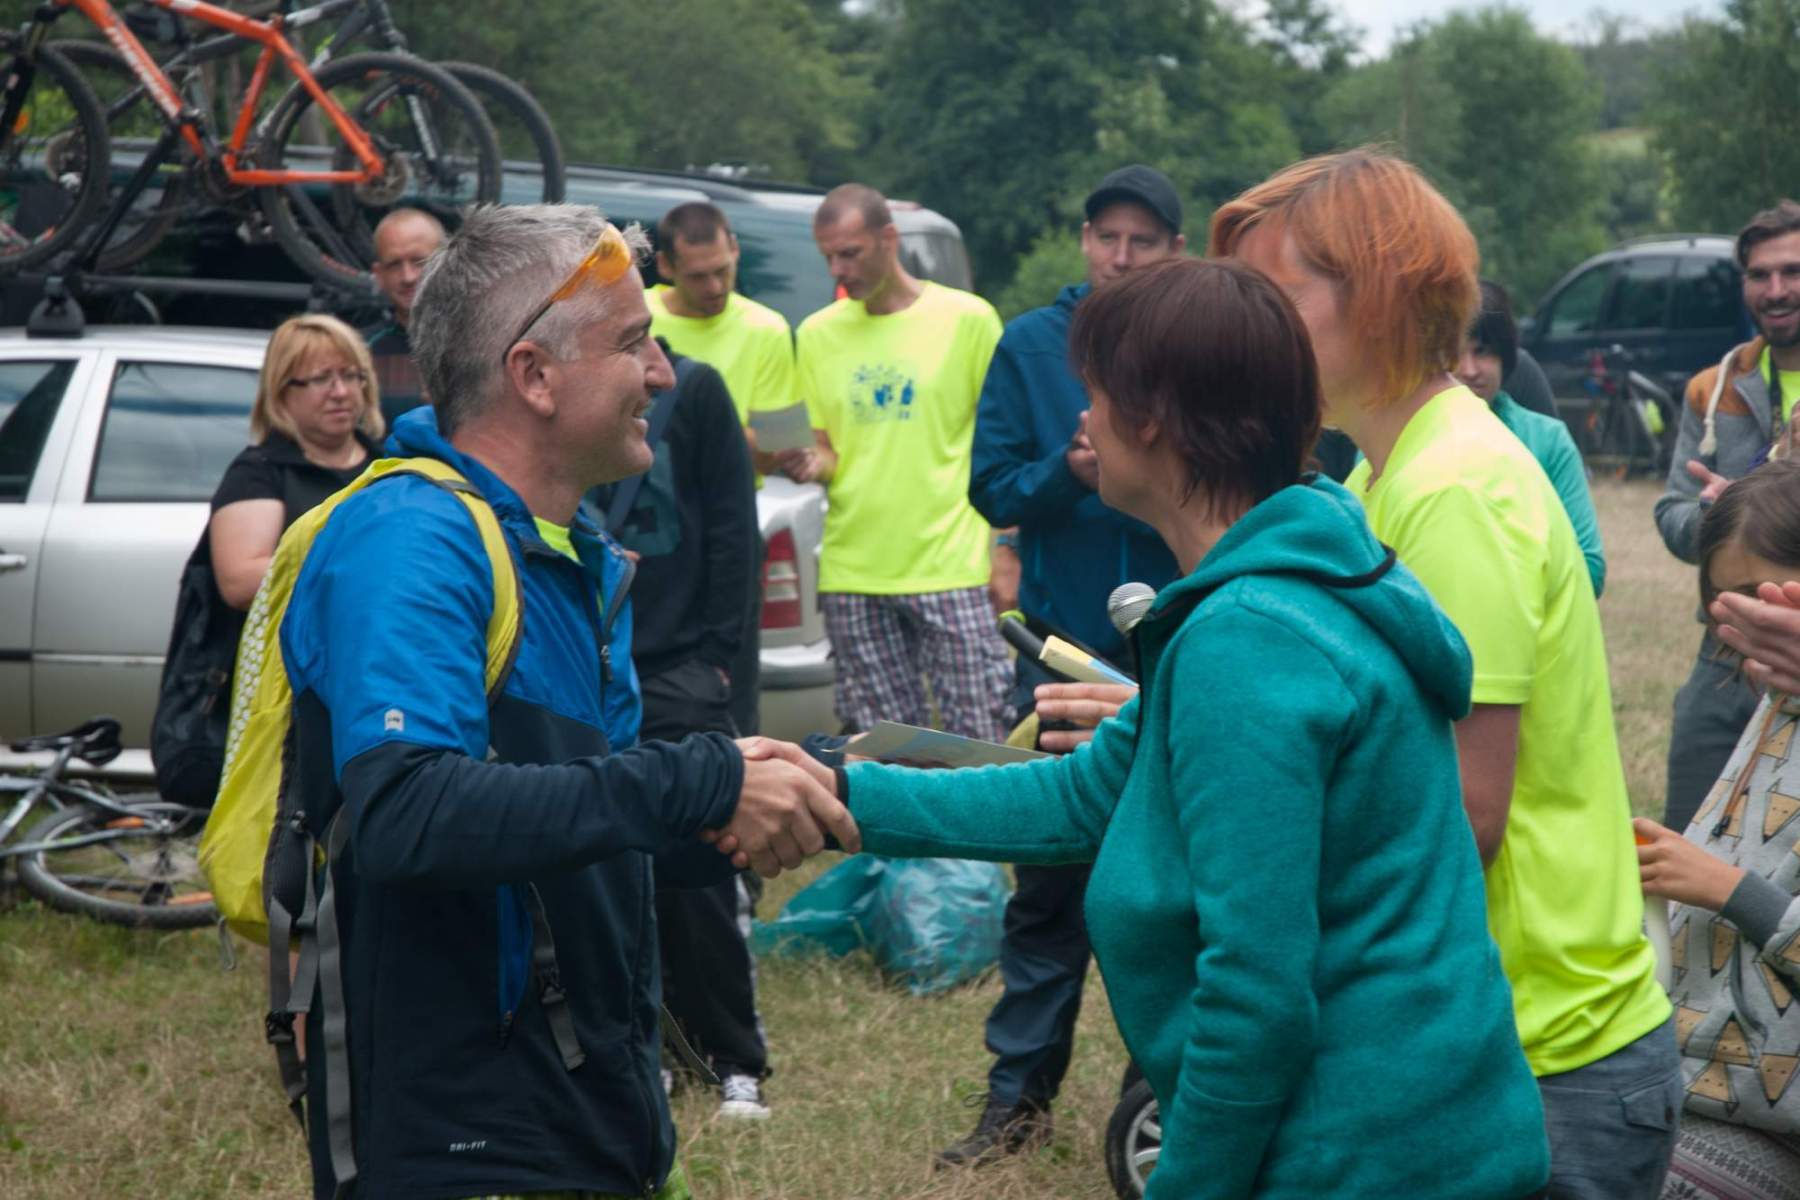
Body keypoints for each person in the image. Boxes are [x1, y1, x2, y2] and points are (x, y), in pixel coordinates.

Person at [749, 257, 1551, 1198]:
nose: (1081, 422)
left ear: (1154, 419)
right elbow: (1085, 794)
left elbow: (1255, 998)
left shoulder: (1248, 638)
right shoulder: (1288, 576)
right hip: (1427, 1139)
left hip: (1362, 1162)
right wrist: (841, 792)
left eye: (1092, 395)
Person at [276, 202, 857, 1199]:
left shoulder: (571, 551)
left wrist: (755, 801)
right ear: (534, 375)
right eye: (633, 343)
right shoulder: (409, 539)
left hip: (591, 1105)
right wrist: (691, 782)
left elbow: (582, 812)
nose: (662, 374)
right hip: (466, 1133)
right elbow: (406, 813)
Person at [1216, 148, 1679, 1197]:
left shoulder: (1454, 488)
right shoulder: (1388, 475)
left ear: (1377, 297)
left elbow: (1464, 811)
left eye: (1276, 296)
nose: (1254, 332)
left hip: (1542, 1047)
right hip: (1495, 1029)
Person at [941, 164, 1184, 1166]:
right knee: (1048, 886)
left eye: (1143, 241)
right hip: (1055, 654)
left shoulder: (1197, 341)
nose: (1121, 257)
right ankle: (1015, 1106)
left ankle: (1162, 1100)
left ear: (1175, 250)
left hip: (1174, 653)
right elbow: (990, 485)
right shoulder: (1032, 345)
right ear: (1084, 241)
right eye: (1106, 238)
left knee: (1172, 887)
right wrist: (1069, 473)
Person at [588, 340, 771, 1118]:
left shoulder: (694, 391)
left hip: (679, 669)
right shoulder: (550, 395)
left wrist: (718, 663)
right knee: (605, 869)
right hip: (591, 666)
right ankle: (642, 1047)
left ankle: (734, 1057)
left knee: (702, 869)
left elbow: (734, 528)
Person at [780, 183, 1013, 743]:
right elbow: (830, 451)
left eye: (850, 253)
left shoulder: (968, 319)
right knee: (886, 751)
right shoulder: (817, 334)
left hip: (951, 564)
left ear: (889, 239)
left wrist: (1007, 548)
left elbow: (1004, 445)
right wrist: (811, 463)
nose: (838, 270)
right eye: (828, 257)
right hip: (854, 571)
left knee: (978, 742)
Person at [1634, 460, 1800, 1200]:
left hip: (1761, 1124)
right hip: (1696, 1088)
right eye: (1724, 607)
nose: (1743, 629)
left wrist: (1729, 888)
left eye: (1765, 598)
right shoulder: (1772, 701)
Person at [1657, 200, 1800, 831]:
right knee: (1687, 835)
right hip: (1722, 652)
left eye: (1792, 271)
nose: (1777, 290)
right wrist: (1719, 514)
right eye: (1760, 275)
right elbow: (1671, 515)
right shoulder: (1711, 388)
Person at [648, 200, 800, 735]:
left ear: (735, 250)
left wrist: (706, 427)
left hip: (727, 517)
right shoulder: (638, 315)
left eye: (723, 271)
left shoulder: (767, 328)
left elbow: (780, 445)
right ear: (665, 267)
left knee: (733, 684)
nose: (715, 287)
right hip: (648, 519)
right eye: (698, 277)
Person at [209, 314, 384, 610]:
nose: (340, 392)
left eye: (350, 375)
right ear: (282, 390)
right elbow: (240, 582)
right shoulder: (260, 471)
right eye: (321, 379)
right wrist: (362, 561)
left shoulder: (388, 464)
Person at [1455, 279, 1606, 596]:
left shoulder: (1548, 441)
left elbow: (1590, 568)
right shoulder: (1395, 439)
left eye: (1482, 352)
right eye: (1454, 353)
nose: (1469, 370)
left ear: (1505, 358)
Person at [363, 206, 445, 427]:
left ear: (446, 264)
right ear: (379, 275)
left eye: (418, 262)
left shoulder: (486, 345)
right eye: (394, 265)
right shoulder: (358, 353)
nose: (408, 277)